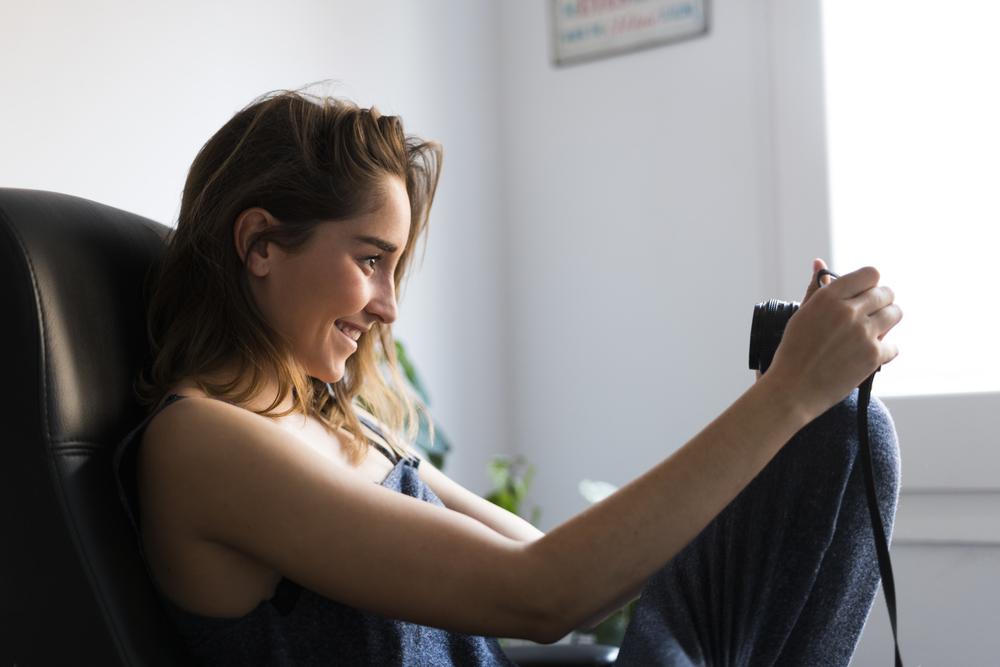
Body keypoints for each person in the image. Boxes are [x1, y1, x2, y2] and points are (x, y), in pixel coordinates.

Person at [113, 86, 903, 666]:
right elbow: (539, 595)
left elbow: (547, 555)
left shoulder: (339, 421)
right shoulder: (202, 442)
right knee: (815, 414)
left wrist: (793, 407)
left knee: (845, 431)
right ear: (259, 244)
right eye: (369, 260)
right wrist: (784, 391)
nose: (388, 307)